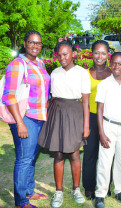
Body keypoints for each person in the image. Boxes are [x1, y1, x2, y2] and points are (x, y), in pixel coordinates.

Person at [38, 40, 91, 208]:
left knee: (74, 153)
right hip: (57, 112)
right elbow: (50, 97)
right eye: (59, 55)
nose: (62, 58)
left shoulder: (82, 73)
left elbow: (85, 102)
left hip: (75, 113)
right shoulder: (54, 73)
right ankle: (59, 191)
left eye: (65, 54)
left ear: (73, 53)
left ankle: (76, 189)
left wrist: (86, 126)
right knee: (59, 153)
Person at [2, 30, 50, 208]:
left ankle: (29, 191)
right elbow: (9, 97)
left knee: (31, 157)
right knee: (23, 159)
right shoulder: (17, 65)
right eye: (31, 42)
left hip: (39, 117)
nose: (35, 46)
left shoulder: (40, 63)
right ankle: (21, 202)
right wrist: (20, 123)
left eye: (38, 43)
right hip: (25, 118)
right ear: (24, 43)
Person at [94, 52, 121, 208]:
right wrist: (101, 132)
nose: (116, 66)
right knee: (105, 161)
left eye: (120, 64)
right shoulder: (104, 84)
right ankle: (100, 194)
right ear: (109, 64)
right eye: (114, 63)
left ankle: (120, 190)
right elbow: (99, 110)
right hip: (108, 127)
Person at [82, 40, 111, 200]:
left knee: (107, 154)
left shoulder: (113, 72)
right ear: (91, 54)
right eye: (97, 53)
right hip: (91, 117)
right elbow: (83, 101)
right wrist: (85, 124)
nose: (100, 56)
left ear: (108, 55)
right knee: (90, 153)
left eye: (103, 53)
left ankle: (105, 185)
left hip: (109, 118)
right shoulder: (85, 74)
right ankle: (89, 187)